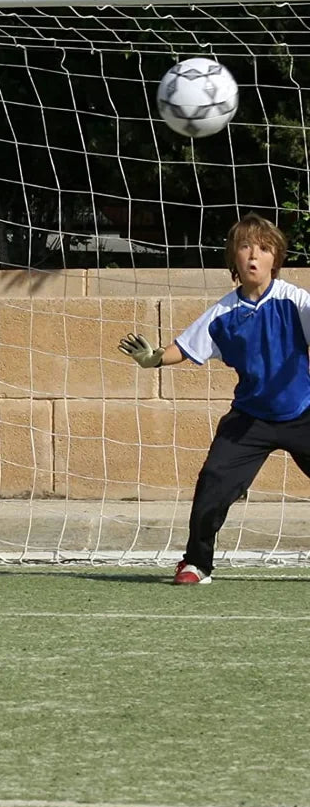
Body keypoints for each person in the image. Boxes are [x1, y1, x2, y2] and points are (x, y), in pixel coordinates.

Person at [119, 212, 310, 585]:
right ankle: (196, 564)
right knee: (212, 485)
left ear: (277, 258)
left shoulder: (295, 301)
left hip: (303, 412)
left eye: (264, 248)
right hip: (249, 420)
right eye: (245, 247)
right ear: (234, 259)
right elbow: (184, 347)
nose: (254, 255)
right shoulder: (224, 313)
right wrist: (153, 359)